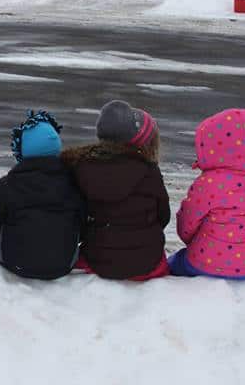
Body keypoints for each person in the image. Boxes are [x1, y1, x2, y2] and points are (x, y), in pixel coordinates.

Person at [62, 100, 170, 281]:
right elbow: (163, 216)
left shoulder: (81, 166)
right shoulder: (149, 171)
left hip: (99, 258)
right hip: (146, 262)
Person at [169, 109, 245, 278]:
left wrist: (192, 243)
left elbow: (187, 223)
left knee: (174, 262)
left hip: (206, 263)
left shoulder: (207, 184)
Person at [0, 110, 85, 280]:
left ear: (22, 150)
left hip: (15, 262)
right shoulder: (74, 184)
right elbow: (83, 225)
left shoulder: (10, 185)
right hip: (63, 264)